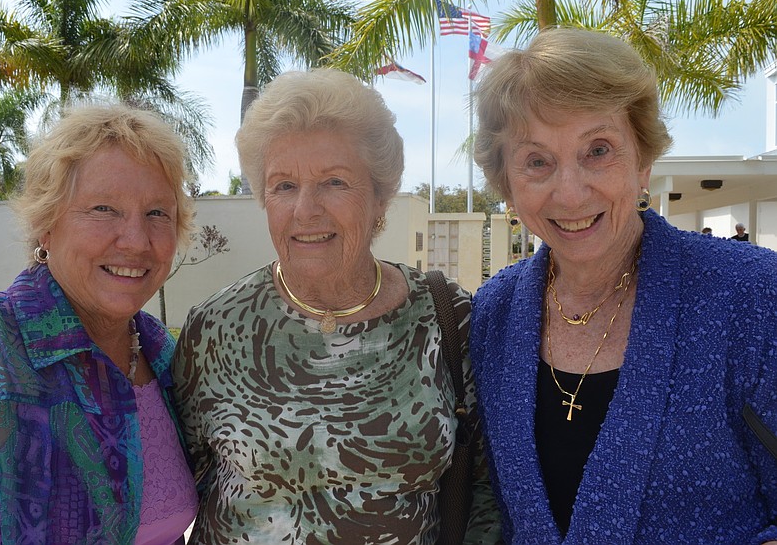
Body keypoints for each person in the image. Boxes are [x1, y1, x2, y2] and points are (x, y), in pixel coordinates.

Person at [470, 27, 777, 544]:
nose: (570, 192)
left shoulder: (752, 296)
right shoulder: (492, 316)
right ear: (507, 183)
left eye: (598, 149)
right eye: (537, 161)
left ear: (643, 159)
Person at [172, 68, 499, 543]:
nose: (306, 209)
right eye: (283, 185)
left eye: (334, 182)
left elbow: (485, 487)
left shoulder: (448, 318)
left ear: (380, 197)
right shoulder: (214, 329)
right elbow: (188, 479)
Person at [0, 104, 199, 543]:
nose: (135, 240)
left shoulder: (166, 357)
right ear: (46, 226)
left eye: (156, 214)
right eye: (104, 208)